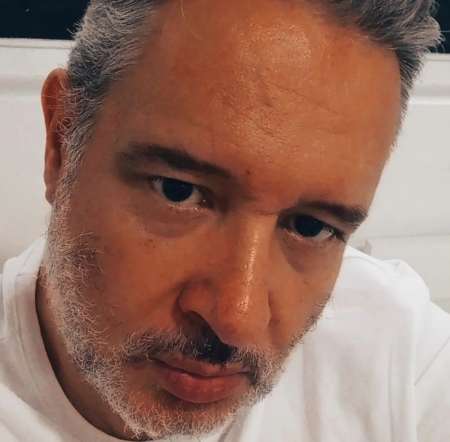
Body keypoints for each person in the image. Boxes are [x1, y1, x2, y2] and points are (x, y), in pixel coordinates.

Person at [1, 0, 449, 441]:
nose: (238, 318)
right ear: (62, 140)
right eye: (178, 192)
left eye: (310, 227)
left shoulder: (402, 354)